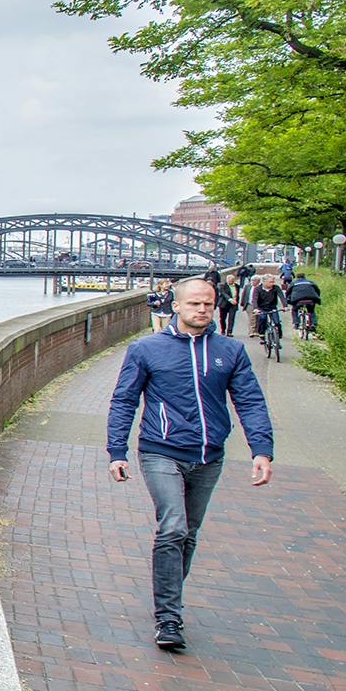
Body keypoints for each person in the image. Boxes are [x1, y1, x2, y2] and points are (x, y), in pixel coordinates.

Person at [106, 277, 274, 650]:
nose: (202, 310)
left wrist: (261, 450)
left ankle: (167, 595)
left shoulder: (230, 351)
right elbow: (124, 401)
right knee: (174, 527)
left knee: (189, 534)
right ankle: (168, 617)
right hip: (160, 450)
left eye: (209, 305)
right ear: (176, 306)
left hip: (209, 456)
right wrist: (116, 451)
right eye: (195, 304)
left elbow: (249, 401)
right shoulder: (147, 349)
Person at [251, 273, 285, 342]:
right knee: (262, 319)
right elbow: (255, 299)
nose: (272, 284)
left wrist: (285, 306)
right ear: (264, 282)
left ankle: (279, 334)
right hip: (262, 307)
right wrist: (255, 308)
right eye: (270, 282)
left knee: (277, 322)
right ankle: (262, 334)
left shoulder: (276, 288)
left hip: (272, 307)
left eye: (273, 282)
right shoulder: (258, 289)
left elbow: (281, 296)